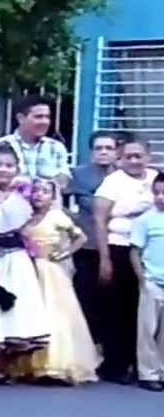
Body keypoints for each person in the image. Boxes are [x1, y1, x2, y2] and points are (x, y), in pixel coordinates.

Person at [13, 180, 97, 384]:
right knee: (33, 315)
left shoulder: (57, 216)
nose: (39, 195)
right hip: (30, 271)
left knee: (55, 314)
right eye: (36, 191)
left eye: (45, 191)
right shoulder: (26, 218)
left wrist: (63, 254)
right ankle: (31, 364)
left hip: (51, 271)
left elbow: (81, 238)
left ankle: (56, 363)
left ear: (52, 196)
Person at [93, 138, 158, 384]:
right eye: (128, 156)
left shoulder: (155, 179)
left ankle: (143, 365)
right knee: (118, 309)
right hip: (119, 248)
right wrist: (105, 259)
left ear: (147, 157)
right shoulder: (113, 182)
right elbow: (100, 220)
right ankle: (116, 365)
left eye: (138, 156)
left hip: (150, 252)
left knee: (144, 311)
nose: (134, 161)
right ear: (120, 158)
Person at [0, 144, 49, 359]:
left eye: (9, 165)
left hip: (19, 256)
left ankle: (12, 365)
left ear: (17, 169)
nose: (3, 170)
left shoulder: (20, 194)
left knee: (21, 310)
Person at [67, 130, 121, 349]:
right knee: (86, 296)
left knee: (113, 300)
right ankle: (86, 348)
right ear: (91, 152)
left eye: (108, 148)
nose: (103, 153)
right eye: (99, 148)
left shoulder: (123, 174)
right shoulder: (79, 174)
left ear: (117, 152)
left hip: (117, 242)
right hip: (88, 243)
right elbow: (88, 204)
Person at [0, 94, 71, 186]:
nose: (45, 122)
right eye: (38, 117)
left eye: (47, 117)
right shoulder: (1, 145)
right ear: (21, 118)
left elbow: (63, 181)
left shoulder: (56, 147)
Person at [130, 173, 164, 391]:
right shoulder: (145, 220)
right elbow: (135, 251)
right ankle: (148, 373)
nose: (160, 197)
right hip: (152, 281)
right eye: (157, 192)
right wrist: (142, 278)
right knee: (148, 330)